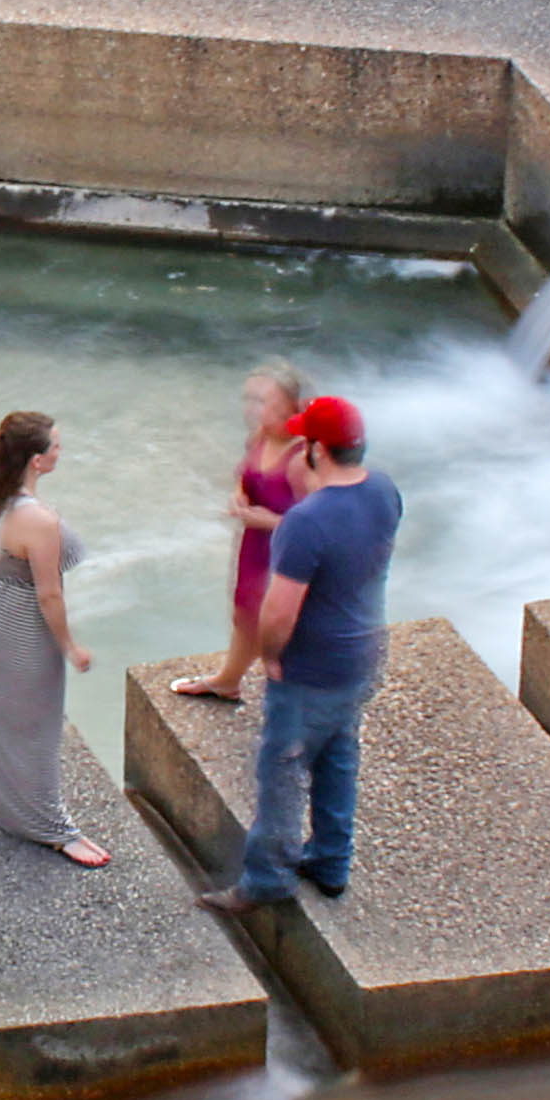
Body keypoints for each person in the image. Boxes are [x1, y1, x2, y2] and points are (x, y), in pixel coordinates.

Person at [202, 394, 398, 920]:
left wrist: (271, 658)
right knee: (339, 756)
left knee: (281, 769)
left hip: (312, 668)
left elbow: (280, 611)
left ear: (315, 449)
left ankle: (267, 879)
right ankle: (332, 863)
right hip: (364, 653)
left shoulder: (306, 522)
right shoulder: (384, 491)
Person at [0, 410, 107, 868]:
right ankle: (47, 826)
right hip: (21, 618)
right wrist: (69, 646)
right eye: (55, 445)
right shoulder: (39, 521)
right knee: (35, 720)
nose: (60, 450)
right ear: (36, 460)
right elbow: (49, 594)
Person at [163, 364, 305, 706]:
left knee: (280, 624)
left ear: (290, 404)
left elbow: (320, 524)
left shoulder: (302, 455)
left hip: (286, 551)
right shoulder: (260, 435)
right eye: (249, 399)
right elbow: (246, 477)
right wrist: (240, 496)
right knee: (245, 614)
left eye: (263, 401)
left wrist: (271, 521)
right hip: (254, 544)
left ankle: (295, 699)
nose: (253, 409)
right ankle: (228, 681)